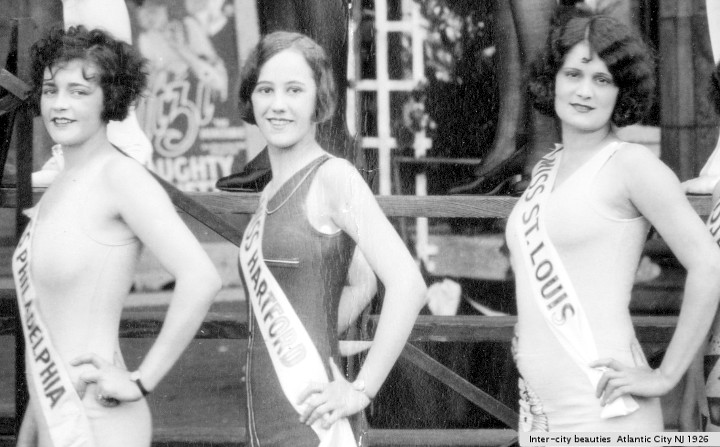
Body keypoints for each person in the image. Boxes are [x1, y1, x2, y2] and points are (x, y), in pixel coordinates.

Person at [505, 6, 720, 431]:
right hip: (540, 408)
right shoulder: (546, 169)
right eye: (573, 74)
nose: (585, 91)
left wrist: (665, 376)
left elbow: (710, 265)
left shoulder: (631, 165)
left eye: (602, 80)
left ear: (623, 91)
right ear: (552, 80)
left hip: (606, 408)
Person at [15, 26, 222, 447]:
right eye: (51, 90)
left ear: (108, 99)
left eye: (78, 91)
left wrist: (141, 380)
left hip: (100, 419)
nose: (60, 104)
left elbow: (202, 277)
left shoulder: (121, 177)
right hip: (51, 412)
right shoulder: (60, 184)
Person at [236, 31, 427, 446]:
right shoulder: (268, 193)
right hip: (265, 410)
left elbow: (409, 285)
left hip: (315, 419)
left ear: (317, 100)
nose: (278, 104)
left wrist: (361, 390)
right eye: (266, 89)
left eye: (294, 90)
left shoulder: (333, 177)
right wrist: (312, 334)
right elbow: (361, 282)